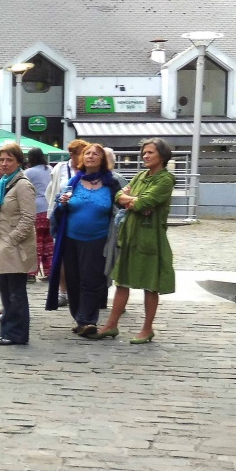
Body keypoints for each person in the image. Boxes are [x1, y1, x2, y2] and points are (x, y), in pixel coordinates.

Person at [92, 138, 176, 343]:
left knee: (151, 284)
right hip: (129, 236)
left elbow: (144, 202)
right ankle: (111, 325)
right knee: (122, 282)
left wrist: (133, 201)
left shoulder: (165, 180)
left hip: (150, 239)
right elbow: (118, 196)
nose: (145, 156)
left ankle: (147, 329)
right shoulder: (140, 175)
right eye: (144, 153)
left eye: (150, 153)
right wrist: (132, 201)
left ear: (162, 156)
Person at [48, 143, 120, 336]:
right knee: (73, 279)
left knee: (91, 279)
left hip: (97, 239)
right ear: (82, 159)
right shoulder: (73, 182)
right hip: (71, 239)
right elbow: (59, 209)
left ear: (102, 159)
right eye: (87, 153)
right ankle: (79, 317)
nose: (91, 156)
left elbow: (120, 207)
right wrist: (62, 205)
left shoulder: (111, 183)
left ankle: (88, 320)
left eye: (96, 154)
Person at [0, 142, 37, 346]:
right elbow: (10, 213)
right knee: (6, 292)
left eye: (9, 160)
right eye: (1, 160)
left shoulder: (22, 184)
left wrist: (12, 239)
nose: (4, 163)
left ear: (18, 162)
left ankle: (17, 334)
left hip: (15, 247)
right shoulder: (4, 183)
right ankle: (8, 331)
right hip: (3, 244)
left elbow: (28, 217)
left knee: (16, 293)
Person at [46, 139, 88, 306]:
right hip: (63, 216)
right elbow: (52, 189)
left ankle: (81, 292)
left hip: (83, 217)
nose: (84, 157)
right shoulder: (60, 168)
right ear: (72, 154)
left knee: (82, 257)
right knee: (62, 255)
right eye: (80, 154)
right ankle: (63, 292)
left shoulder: (89, 169)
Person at [25, 147, 53, 280]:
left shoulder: (28, 172)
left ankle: (31, 273)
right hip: (49, 209)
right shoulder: (50, 170)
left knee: (35, 243)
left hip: (35, 208)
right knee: (48, 243)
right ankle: (50, 272)